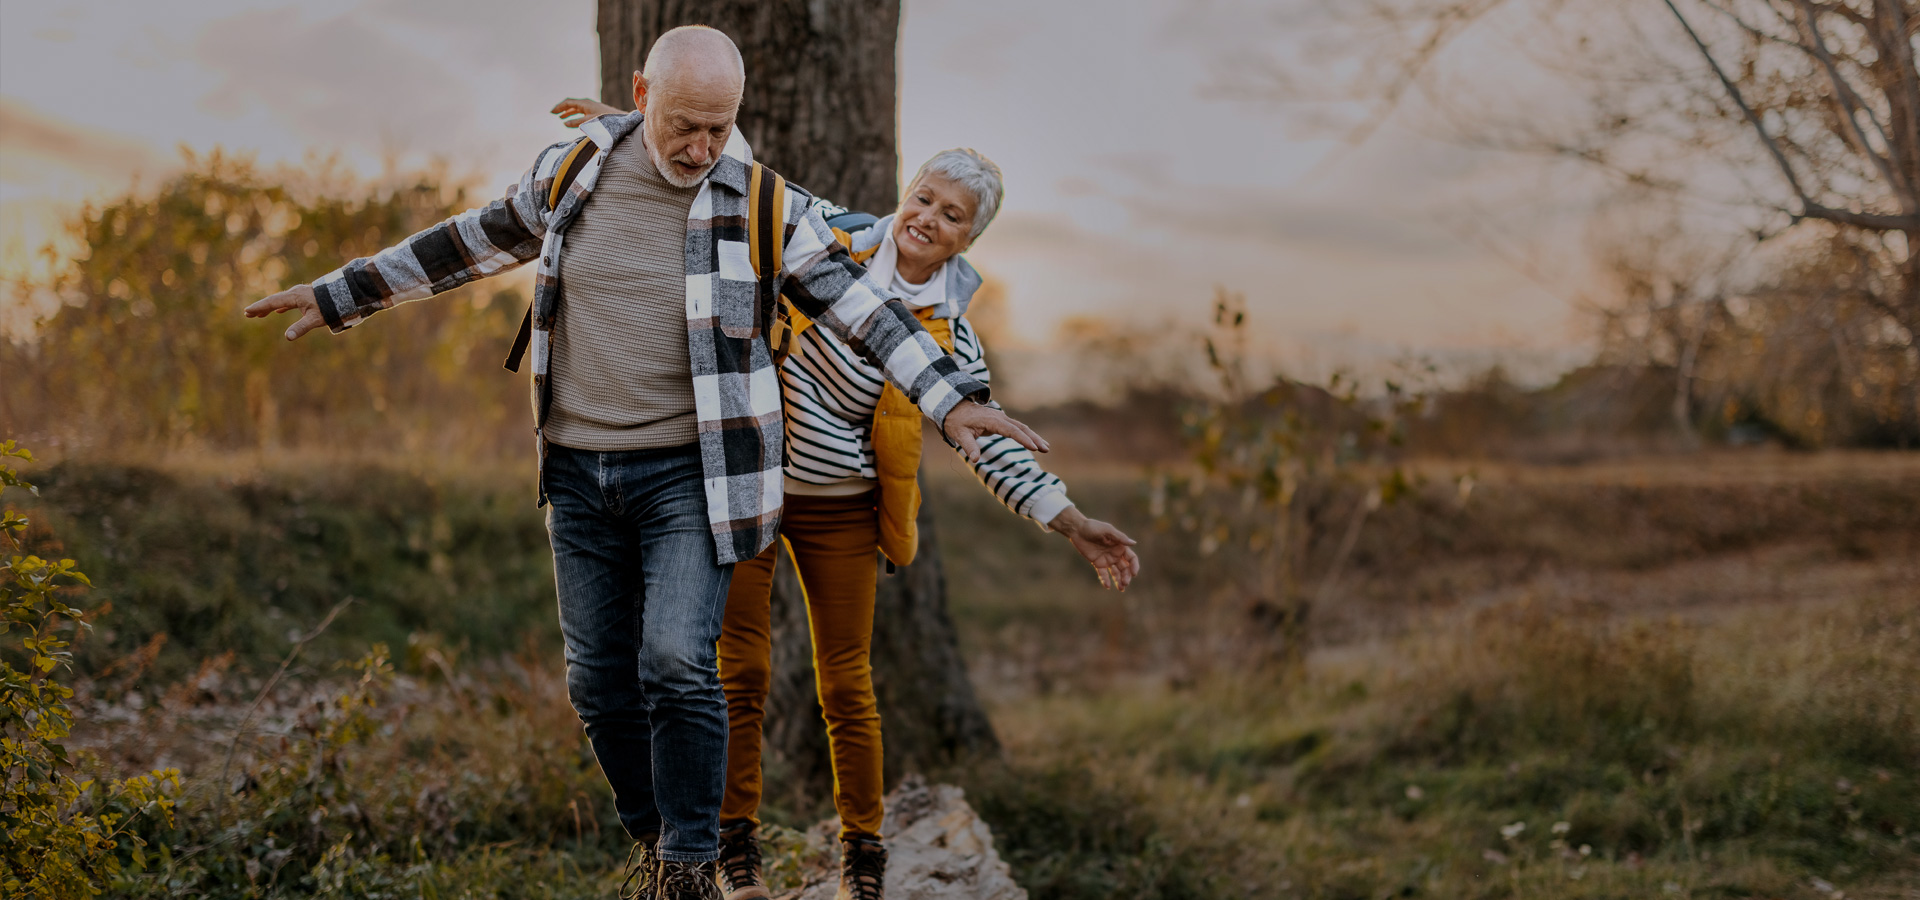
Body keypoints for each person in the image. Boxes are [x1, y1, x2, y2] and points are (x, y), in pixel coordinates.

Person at [244, 26, 1050, 900]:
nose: (702, 149)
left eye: (720, 129)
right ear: (640, 96)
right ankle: (659, 839)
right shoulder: (571, 171)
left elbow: (868, 308)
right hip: (577, 470)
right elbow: (468, 241)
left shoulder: (761, 205)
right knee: (596, 681)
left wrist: (951, 400)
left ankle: (694, 868)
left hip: (691, 475)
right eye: (685, 126)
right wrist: (342, 293)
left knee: (674, 660)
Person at [553, 99, 1140, 900]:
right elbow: (743, 173)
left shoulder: (949, 335)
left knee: (846, 686)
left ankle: (862, 858)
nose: (927, 218)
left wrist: (1068, 519)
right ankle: (735, 854)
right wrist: (638, 119)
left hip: (844, 510)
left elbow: (987, 441)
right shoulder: (828, 237)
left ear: (971, 237)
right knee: (738, 675)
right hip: (748, 489)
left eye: (952, 214)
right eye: (924, 198)